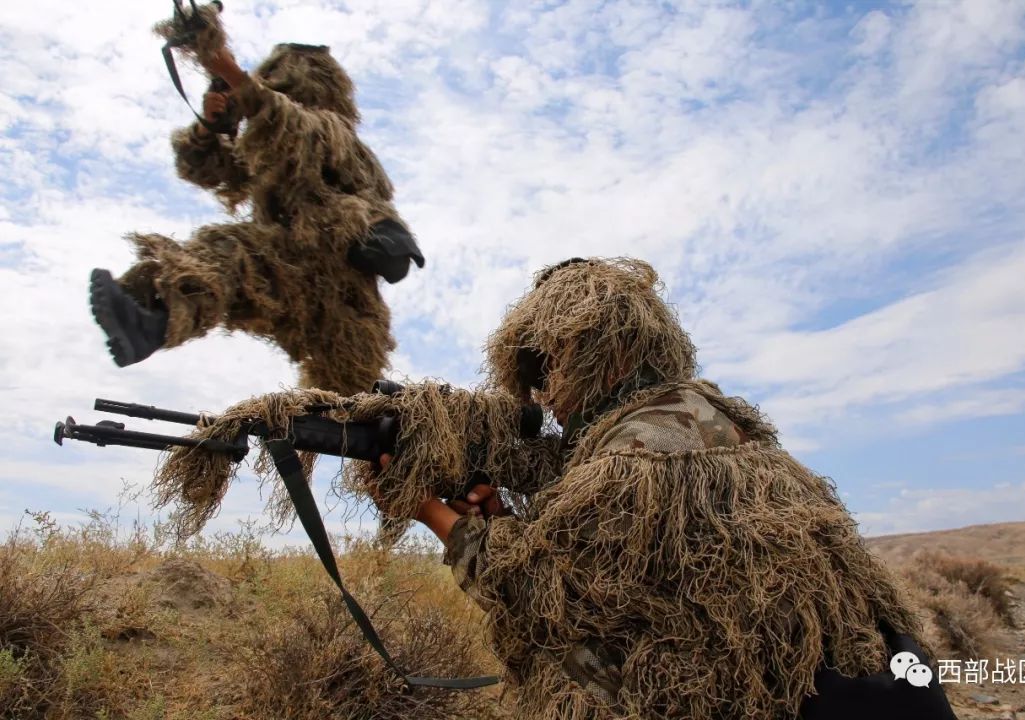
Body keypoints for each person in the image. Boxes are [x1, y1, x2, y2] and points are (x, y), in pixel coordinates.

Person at [385, 258, 958, 719]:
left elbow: (540, 596)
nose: (546, 394)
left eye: (552, 366)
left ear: (603, 356)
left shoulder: (634, 458)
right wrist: (500, 513)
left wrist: (432, 514)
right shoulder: (709, 418)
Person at [89, 18, 422, 395]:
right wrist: (210, 127)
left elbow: (289, 127)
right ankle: (148, 318)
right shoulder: (269, 146)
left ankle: (149, 318)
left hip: (343, 289)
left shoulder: (333, 132)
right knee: (227, 257)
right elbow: (206, 169)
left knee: (350, 402)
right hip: (291, 269)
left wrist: (228, 71)